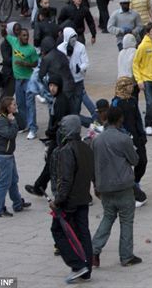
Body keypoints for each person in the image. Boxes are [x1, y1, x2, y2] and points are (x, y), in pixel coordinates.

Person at [91, 106, 142, 267]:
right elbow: (135, 160)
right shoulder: (124, 139)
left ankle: (93, 250)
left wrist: (96, 185)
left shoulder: (97, 140)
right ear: (120, 119)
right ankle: (126, 256)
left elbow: (94, 164)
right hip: (123, 186)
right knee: (126, 221)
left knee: (107, 217)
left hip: (105, 186)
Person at [49, 115, 94, 283]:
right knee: (83, 233)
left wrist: (58, 200)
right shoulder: (86, 147)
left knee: (58, 231)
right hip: (83, 197)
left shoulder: (67, 150)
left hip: (69, 201)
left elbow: (66, 180)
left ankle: (77, 265)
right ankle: (86, 270)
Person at [25, 75, 71, 198]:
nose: (52, 88)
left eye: (54, 86)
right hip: (57, 137)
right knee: (51, 164)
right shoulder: (58, 98)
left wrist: (50, 132)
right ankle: (39, 186)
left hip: (59, 138)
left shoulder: (60, 101)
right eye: (50, 85)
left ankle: (39, 186)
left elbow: (60, 121)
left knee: (52, 163)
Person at [111, 77, 148, 207]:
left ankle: (136, 182)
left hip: (137, 138)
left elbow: (137, 117)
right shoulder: (116, 103)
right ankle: (131, 191)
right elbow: (115, 122)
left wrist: (142, 134)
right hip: (124, 138)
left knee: (142, 161)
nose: (132, 88)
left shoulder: (132, 100)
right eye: (129, 85)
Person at [0, 97, 31, 217]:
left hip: (7, 154)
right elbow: (10, 134)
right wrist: (13, 121)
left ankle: (18, 204)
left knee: (13, 180)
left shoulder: (6, 117)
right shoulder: (1, 120)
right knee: (4, 182)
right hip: (2, 156)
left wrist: (14, 119)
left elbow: (21, 125)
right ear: (7, 107)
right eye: (13, 105)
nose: (15, 106)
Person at [57, 27, 94, 122]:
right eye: (71, 38)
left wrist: (80, 68)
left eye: (75, 38)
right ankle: (86, 120)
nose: (73, 41)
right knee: (69, 104)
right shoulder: (60, 49)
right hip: (66, 81)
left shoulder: (80, 47)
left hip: (78, 80)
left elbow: (86, 62)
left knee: (78, 102)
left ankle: (93, 116)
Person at [8, 27, 39, 140]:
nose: (26, 37)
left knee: (30, 104)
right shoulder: (14, 42)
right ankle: (25, 124)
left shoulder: (31, 50)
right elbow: (4, 35)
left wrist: (25, 64)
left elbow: (35, 63)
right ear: (19, 36)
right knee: (20, 104)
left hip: (28, 80)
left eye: (27, 35)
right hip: (18, 81)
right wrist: (3, 28)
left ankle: (33, 129)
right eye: (24, 35)